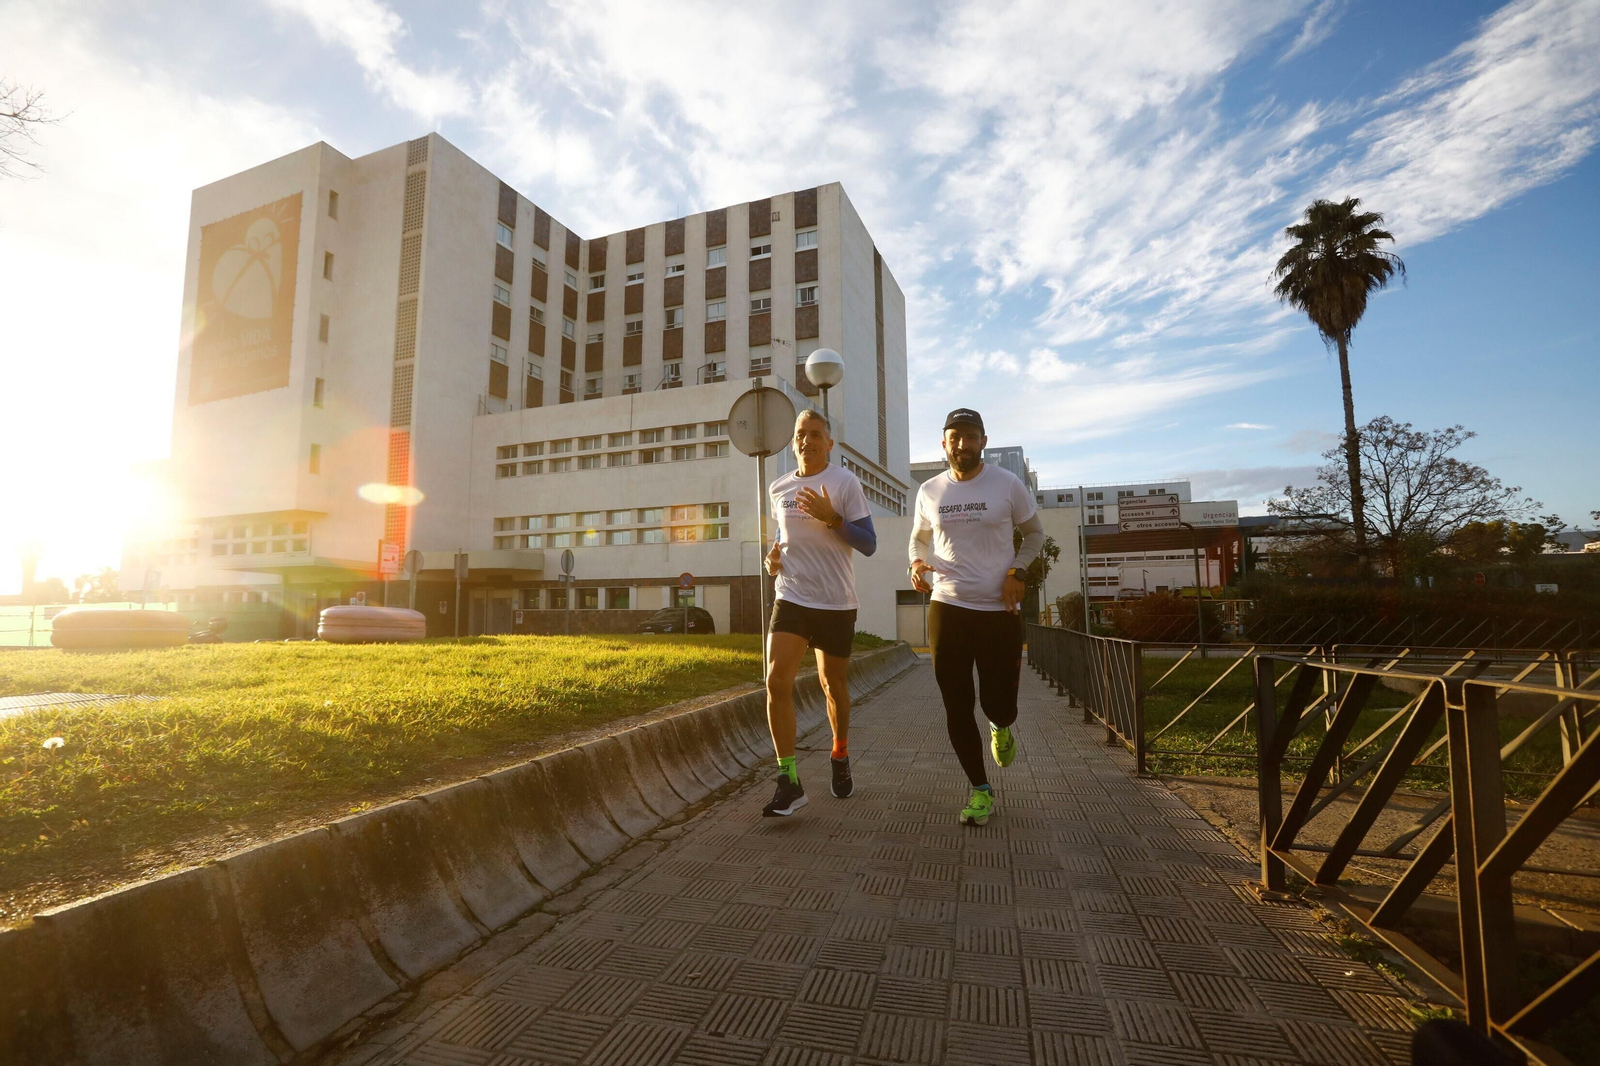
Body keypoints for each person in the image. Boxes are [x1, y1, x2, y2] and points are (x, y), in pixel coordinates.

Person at [908, 408, 1045, 826]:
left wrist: (1016, 571)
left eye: (970, 437)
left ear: (982, 441)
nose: (962, 444)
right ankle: (980, 790)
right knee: (956, 703)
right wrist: (915, 562)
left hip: (998, 610)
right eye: (955, 437)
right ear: (944, 442)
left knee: (997, 703)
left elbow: (1035, 533)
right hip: (947, 606)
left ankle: (1001, 726)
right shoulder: (929, 490)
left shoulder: (1007, 484)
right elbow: (919, 536)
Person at [761, 409, 877, 816]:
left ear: (829, 442)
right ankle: (788, 780)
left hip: (835, 602)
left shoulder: (845, 483)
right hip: (791, 597)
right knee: (776, 681)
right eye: (800, 434)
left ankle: (840, 753)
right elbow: (781, 538)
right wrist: (773, 560)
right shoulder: (779, 488)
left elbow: (868, 543)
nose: (806, 440)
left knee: (833, 686)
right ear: (793, 442)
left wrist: (832, 519)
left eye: (814, 434)